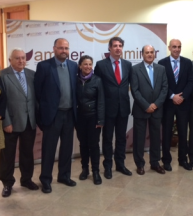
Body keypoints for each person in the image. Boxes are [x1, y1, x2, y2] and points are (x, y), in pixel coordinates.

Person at [35, 38, 78, 193]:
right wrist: (42, 117)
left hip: (69, 115)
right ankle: (46, 179)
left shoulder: (74, 66)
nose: (64, 51)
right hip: (52, 116)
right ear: (54, 49)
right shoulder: (44, 66)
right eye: (61, 48)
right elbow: (38, 94)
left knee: (67, 149)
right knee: (49, 150)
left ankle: (64, 176)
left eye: (66, 48)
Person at [0, 48, 38, 197]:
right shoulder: (2, 75)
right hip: (11, 123)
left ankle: (26, 179)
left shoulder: (32, 74)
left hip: (29, 122)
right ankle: (7, 183)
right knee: (7, 156)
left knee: (27, 154)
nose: (21, 60)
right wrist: (6, 122)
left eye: (23, 58)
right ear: (10, 60)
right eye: (17, 58)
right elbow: (1, 102)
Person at [94, 37, 132, 179]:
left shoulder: (128, 65)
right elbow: (96, 88)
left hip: (123, 108)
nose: (118, 48)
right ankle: (108, 166)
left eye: (120, 45)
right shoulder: (100, 65)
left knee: (121, 138)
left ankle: (120, 164)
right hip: (108, 109)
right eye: (115, 45)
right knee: (108, 138)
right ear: (109, 48)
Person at [131, 45, 168, 175]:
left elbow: (164, 89)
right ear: (142, 54)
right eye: (147, 52)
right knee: (139, 139)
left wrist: (156, 105)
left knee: (156, 138)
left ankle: (155, 163)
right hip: (141, 110)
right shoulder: (135, 69)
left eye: (152, 52)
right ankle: (140, 164)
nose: (150, 54)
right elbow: (134, 90)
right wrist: (146, 105)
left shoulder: (161, 69)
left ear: (154, 54)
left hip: (157, 110)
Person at [158, 39, 193, 171]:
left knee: (183, 133)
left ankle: (183, 159)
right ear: (169, 48)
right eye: (174, 47)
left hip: (183, 104)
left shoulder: (187, 62)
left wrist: (182, 96)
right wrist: (173, 96)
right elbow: (162, 83)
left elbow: (191, 82)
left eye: (179, 47)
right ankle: (166, 160)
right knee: (166, 133)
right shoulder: (162, 63)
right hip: (168, 103)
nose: (177, 49)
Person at [76, 55, 105, 184]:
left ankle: (96, 172)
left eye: (90, 64)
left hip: (93, 118)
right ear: (80, 66)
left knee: (94, 145)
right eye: (85, 64)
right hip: (80, 119)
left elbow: (101, 102)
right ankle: (85, 169)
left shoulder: (97, 80)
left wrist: (100, 120)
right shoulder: (75, 80)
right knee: (83, 145)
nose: (88, 67)